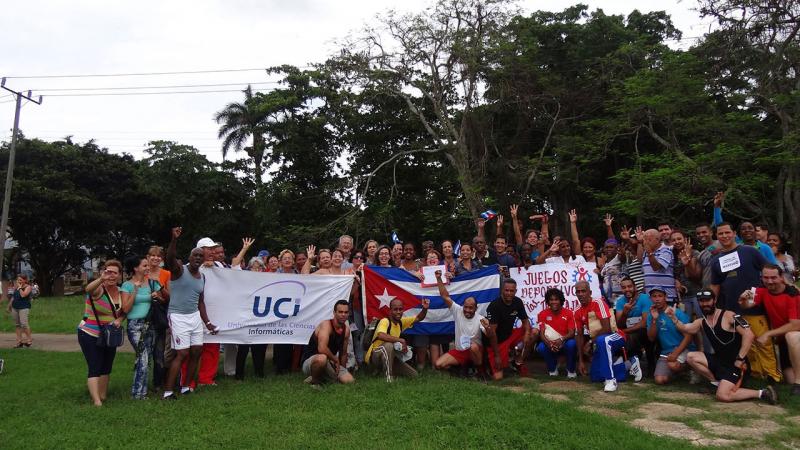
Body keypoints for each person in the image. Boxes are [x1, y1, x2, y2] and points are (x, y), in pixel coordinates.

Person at [669, 290, 778, 404]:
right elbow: (685, 328)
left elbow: (749, 334)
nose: (705, 304)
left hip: (736, 365)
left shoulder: (729, 315)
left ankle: (763, 393)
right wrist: (673, 317)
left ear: (714, 300)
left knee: (723, 396)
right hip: (719, 361)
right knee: (691, 356)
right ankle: (716, 383)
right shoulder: (701, 321)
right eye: (701, 301)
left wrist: (740, 358)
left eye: (708, 300)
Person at [163, 227, 218, 400]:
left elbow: (200, 301)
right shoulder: (179, 270)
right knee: (182, 353)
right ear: (189, 257)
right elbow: (170, 258)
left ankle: (186, 386)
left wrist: (208, 323)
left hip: (194, 317)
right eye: (195, 255)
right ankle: (168, 391)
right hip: (177, 316)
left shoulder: (202, 277)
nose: (198, 258)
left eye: (201, 256)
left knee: (196, 352)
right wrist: (174, 239)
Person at [738, 265, 800, 394]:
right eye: (766, 277)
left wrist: (768, 334)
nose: (769, 281)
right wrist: (742, 300)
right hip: (783, 339)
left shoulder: (792, 294)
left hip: (795, 335)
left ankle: (798, 384)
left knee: (791, 336)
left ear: (781, 278)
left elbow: (795, 325)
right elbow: (748, 304)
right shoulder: (761, 290)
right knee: (788, 379)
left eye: (773, 277)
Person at [574, 280, 639, 392]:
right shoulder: (577, 311)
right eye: (578, 292)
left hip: (615, 336)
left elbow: (607, 329)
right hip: (600, 341)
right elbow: (579, 335)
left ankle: (610, 379)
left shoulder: (598, 303)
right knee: (595, 377)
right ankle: (628, 365)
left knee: (602, 340)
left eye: (583, 291)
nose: (580, 294)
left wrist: (590, 342)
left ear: (589, 292)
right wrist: (581, 360)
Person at [78, 260, 125, 406]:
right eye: (108, 272)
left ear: (119, 275)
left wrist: (120, 319)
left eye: (114, 273)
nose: (111, 276)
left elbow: (125, 310)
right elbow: (88, 289)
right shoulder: (98, 289)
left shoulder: (121, 291)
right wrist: (100, 280)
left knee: (107, 365)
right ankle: (96, 401)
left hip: (110, 334)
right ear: (102, 273)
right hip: (90, 333)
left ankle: (102, 395)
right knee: (95, 365)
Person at [121, 255, 163, 399]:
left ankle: (140, 390)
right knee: (143, 358)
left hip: (151, 324)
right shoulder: (127, 285)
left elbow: (163, 299)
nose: (148, 268)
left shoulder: (153, 283)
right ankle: (138, 393)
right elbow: (125, 309)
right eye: (144, 266)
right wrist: (135, 290)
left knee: (146, 358)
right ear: (135, 268)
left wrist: (157, 296)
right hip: (135, 325)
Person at [432, 271, 489, 376]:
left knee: (473, 347)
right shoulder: (458, 311)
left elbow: (489, 335)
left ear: (476, 308)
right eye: (465, 307)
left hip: (475, 352)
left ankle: (479, 369)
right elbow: (445, 296)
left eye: (470, 308)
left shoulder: (480, 318)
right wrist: (439, 279)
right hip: (460, 351)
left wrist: (488, 328)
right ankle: (460, 368)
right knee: (438, 364)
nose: (467, 310)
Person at [366, 298, 430, 382]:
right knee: (389, 345)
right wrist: (400, 340)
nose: (398, 312)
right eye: (395, 309)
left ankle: (380, 371)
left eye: (400, 309)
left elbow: (419, 318)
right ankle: (388, 377)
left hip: (390, 356)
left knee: (413, 375)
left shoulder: (400, 322)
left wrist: (425, 308)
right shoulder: (385, 321)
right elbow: (381, 335)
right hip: (374, 356)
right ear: (390, 311)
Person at [710, 222, 767, 312]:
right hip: (731, 311)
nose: (724, 236)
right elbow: (715, 285)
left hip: (755, 308)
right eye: (721, 233)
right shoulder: (715, 260)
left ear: (734, 234)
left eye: (727, 232)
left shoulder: (750, 251)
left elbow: (769, 270)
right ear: (716, 236)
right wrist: (712, 306)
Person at [485, 278, 535, 380]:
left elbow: (525, 321)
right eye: (506, 290)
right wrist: (497, 356)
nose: (509, 293)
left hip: (509, 335)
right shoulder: (494, 305)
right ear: (502, 290)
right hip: (496, 341)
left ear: (515, 291)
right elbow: (492, 334)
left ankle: (518, 362)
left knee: (534, 332)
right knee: (498, 378)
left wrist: (527, 334)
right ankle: (489, 365)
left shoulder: (518, 302)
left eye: (512, 291)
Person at [646, 287, 695, 385]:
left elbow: (689, 336)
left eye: (660, 296)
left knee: (673, 365)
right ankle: (676, 373)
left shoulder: (676, 312)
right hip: (666, 351)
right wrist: (655, 319)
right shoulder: (651, 315)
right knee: (659, 380)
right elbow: (651, 338)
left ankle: (690, 368)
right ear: (651, 298)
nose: (657, 299)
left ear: (665, 297)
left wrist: (676, 353)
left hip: (684, 349)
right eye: (654, 296)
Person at [301, 300, 355, 387]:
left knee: (350, 381)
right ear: (334, 313)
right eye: (340, 312)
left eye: (346, 312)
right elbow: (322, 348)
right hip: (311, 361)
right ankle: (315, 382)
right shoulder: (326, 325)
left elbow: (344, 354)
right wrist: (335, 360)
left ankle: (320, 377)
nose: (343, 315)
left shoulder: (346, 330)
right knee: (322, 358)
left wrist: (342, 369)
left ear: (349, 314)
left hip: (330, 361)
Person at [614, 277, 653, 376]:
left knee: (635, 336)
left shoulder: (645, 298)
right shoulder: (620, 302)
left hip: (644, 331)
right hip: (628, 331)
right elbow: (619, 325)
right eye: (624, 287)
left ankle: (642, 365)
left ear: (635, 287)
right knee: (618, 338)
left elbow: (644, 322)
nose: (627, 289)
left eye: (629, 286)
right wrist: (625, 313)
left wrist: (625, 331)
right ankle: (624, 365)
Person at [146, 245, 171, 392]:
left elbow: (169, 297)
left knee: (159, 352)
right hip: (144, 314)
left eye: (158, 256)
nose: (155, 258)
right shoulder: (142, 271)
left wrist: (160, 289)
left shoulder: (166, 273)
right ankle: (141, 383)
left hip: (159, 314)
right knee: (144, 353)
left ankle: (157, 383)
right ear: (148, 257)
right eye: (152, 255)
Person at [536, 288, 577, 378]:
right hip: (551, 343)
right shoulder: (542, 314)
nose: (554, 302)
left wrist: (561, 339)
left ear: (561, 300)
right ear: (548, 301)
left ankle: (570, 370)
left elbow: (572, 333)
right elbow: (541, 334)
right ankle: (552, 369)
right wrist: (549, 343)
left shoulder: (569, 313)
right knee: (541, 347)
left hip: (564, 342)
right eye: (551, 300)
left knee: (572, 344)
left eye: (556, 299)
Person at [640, 229, 677, 305]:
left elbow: (656, 267)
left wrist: (650, 253)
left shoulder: (666, 251)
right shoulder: (646, 253)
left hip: (667, 297)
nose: (645, 242)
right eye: (644, 240)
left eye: (648, 240)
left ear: (657, 240)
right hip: (650, 297)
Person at [7, 275, 33, 348]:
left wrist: (20, 287)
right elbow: (13, 297)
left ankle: (29, 340)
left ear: (25, 280)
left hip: (24, 308)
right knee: (17, 325)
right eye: (18, 280)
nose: (19, 281)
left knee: (24, 324)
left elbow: (23, 295)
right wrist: (9, 306)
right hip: (15, 307)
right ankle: (19, 341)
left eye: (21, 280)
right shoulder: (17, 288)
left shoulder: (28, 287)